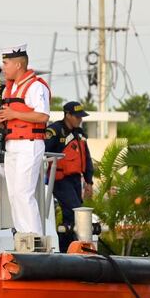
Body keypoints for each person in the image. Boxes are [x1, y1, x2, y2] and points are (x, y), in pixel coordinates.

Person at [0, 44, 51, 238]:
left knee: (24, 193)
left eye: (6, 62)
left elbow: (43, 116)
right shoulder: (7, 90)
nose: (3, 67)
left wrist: (14, 113)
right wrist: (2, 120)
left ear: (18, 65)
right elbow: (12, 117)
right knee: (13, 194)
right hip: (12, 144)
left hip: (30, 144)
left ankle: (34, 237)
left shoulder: (36, 86)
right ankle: (21, 236)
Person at [44, 101, 94, 252]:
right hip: (59, 179)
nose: (80, 119)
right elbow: (43, 151)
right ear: (68, 115)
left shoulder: (80, 134)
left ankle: (67, 248)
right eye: (77, 116)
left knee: (71, 216)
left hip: (74, 180)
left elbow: (87, 158)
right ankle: (71, 247)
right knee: (75, 211)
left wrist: (89, 181)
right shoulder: (55, 130)